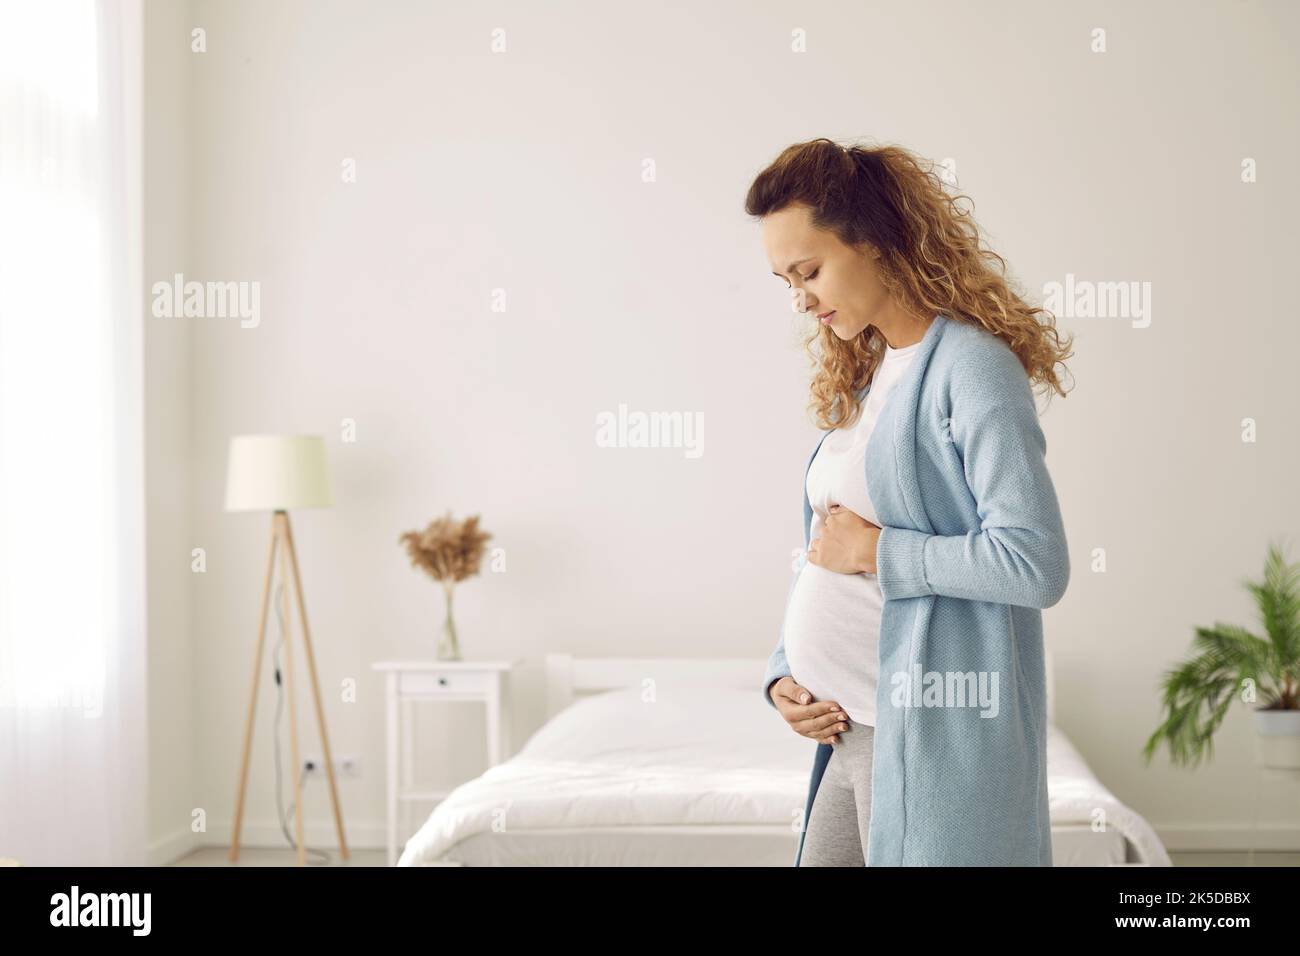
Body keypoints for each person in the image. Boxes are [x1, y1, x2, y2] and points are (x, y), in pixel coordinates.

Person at [748, 139, 1074, 866]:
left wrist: (879, 551)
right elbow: (825, 553)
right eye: (785, 280)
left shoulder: (973, 368)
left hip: (929, 736)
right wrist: (783, 674)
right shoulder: (870, 373)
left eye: (809, 270)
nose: (800, 297)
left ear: (877, 241)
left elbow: (1034, 563)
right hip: (849, 729)